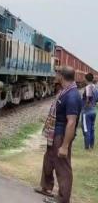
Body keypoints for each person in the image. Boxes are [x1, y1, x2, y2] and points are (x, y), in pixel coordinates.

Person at [35, 66, 82, 203]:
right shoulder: (64, 91)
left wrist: (65, 146)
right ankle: (46, 187)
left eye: (56, 73)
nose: (54, 75)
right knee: (49, 159)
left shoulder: (72, 95)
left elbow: (72, 122)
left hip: (61, 135)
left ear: (61, 76)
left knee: (63, 166)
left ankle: (63, 198)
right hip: (54, 133)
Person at [81, 73, 97, 150]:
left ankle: (87, 147)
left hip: (87, 112)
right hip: (94, 111)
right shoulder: (95, 87)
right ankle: (92, 145)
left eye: (84, 78)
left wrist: (85, 107)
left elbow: (88, 98)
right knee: (92, 129)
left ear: (86, 79)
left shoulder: (88, 87)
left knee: (86, 129)